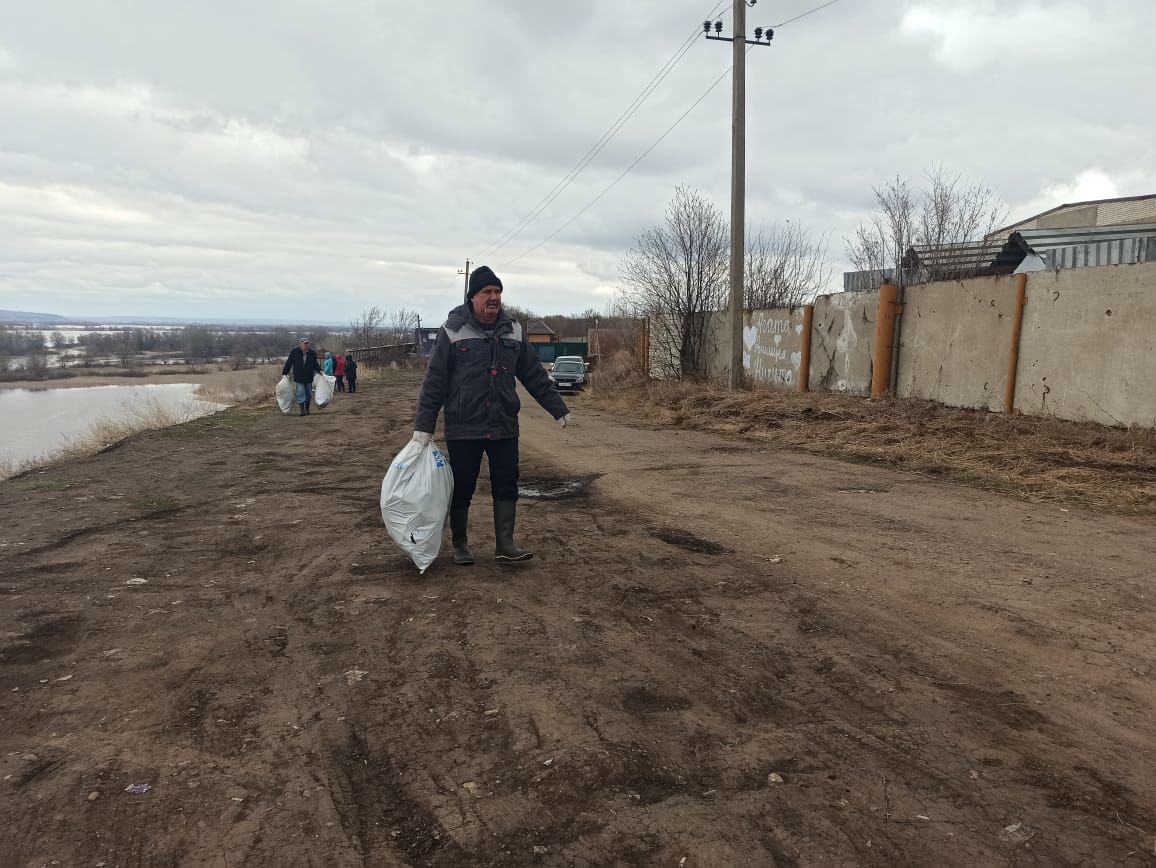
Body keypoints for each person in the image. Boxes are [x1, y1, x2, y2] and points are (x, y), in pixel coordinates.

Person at [413, 265, 571, 565]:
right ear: (473, 297)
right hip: (464, 426)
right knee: (462, 485)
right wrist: (424, 427)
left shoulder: (513, 330)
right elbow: (435, 382)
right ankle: (460, 544)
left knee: (507, 482)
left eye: (498, 291)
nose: (494, 297)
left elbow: (534, 374)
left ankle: (505, 543)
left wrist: (557, 408)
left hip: (504, 425)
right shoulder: (453, 330)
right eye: (487, 292)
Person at [281, 337, 322, 416]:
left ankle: (307, 409)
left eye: (307, 343)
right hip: (299, 377)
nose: (307, 345)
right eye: (305, 344)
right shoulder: (294, 352)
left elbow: (315, 364)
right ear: (300, 344)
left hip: (309, 377)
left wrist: (320, 371)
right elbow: (289, 363)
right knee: (300, 392)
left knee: (308, 394)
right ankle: (302, 410)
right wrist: (284, 373)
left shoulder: (312, 353)